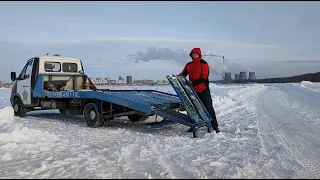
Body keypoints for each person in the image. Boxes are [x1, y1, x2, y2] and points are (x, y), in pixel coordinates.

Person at [179, 47, 220, 133]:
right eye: (193, 54)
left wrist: (193, 82)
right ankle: (194, 125)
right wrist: (177, 78)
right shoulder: (188, 65)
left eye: (196, 54)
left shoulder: (204, 64)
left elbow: (204, 78)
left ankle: (215, 126)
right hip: (193, 91)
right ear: (191, 55)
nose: (195, 55)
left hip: (203, 90)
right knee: (193, 109)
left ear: (199, 55)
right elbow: (183, 74)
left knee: (209, 108)